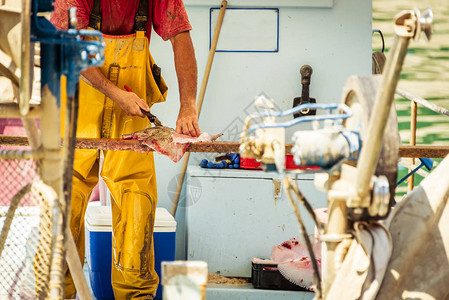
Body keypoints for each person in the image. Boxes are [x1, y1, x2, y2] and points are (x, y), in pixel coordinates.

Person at [50, 0, 200, 298]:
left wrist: (188, 106)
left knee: (136, 200)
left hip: (131, 111)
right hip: (77, 99)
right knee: (65, 197)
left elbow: (181, 39)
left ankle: (135, 295)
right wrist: (116, 94)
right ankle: (58, 291)